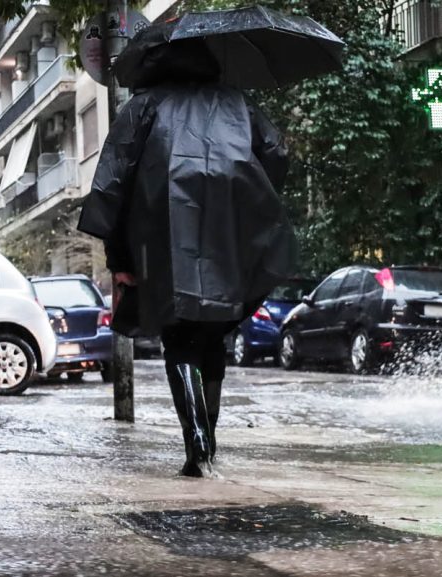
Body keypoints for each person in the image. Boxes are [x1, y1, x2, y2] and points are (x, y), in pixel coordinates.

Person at [77, 40, 296, 477]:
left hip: (163, 244)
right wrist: (245, 188)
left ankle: (196, 439)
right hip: (228, 242)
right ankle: (208, 440)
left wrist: (118, 256)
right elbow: (277, 154)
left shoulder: (145, 106)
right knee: (212, 339)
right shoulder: (237, 104)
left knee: (178, 340)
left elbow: (112, 184)